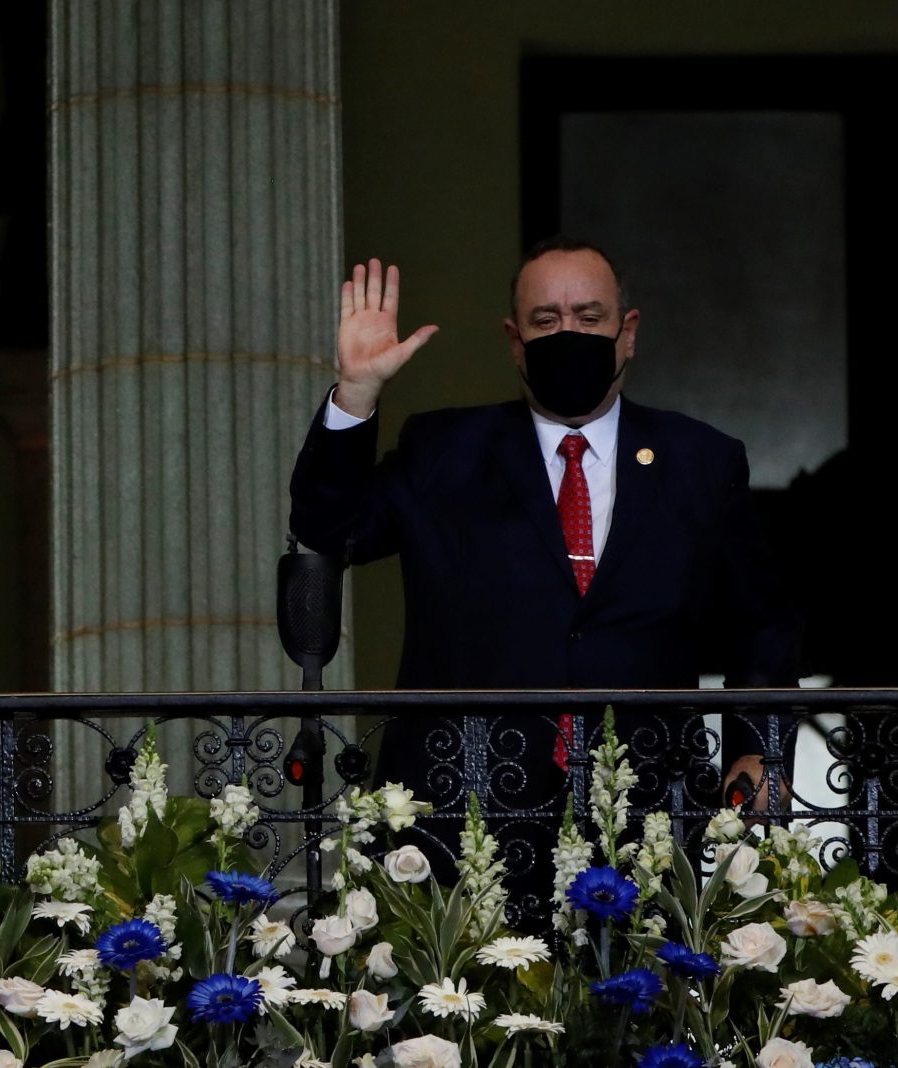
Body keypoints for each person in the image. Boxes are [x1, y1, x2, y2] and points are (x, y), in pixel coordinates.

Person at [288, 238, 802, 919]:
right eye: (546, 320)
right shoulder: (444, 451)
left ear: (628, 332)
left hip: (645, 811)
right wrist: (357, 392)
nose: (570, 333)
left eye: (589, 317)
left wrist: (758, 751)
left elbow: (759, 622)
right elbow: (332, 528)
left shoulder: (700, 460)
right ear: (515, 338)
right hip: (461, 812)